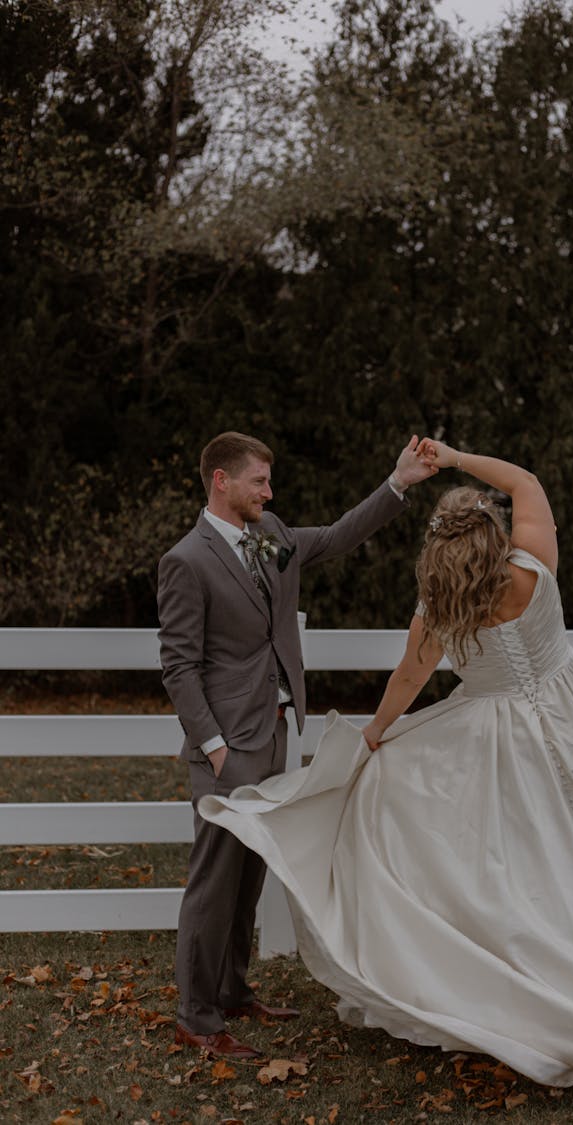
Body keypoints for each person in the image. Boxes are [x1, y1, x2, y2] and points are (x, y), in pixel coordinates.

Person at [199, 439, 573, 1101]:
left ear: (438, 556)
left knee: (527, 867)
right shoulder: (534, 566)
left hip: (498, 748)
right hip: (569, 725)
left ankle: (541, 974)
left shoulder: (440, 607)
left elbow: (408, 678)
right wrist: (456, 457)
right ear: (493, 535)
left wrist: (374, 737)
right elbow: (525, 480)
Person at [157, 430, 437, 1059]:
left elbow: (336, 536)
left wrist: (397, 484)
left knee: (249, 873)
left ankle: (231, 990)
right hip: (228, 745)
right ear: (221, 481)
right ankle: (197, 1019)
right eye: (259, 480)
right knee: (214, 879)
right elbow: (178, 667)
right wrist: (214, 745)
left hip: (275, 733)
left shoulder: (270, 535)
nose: (269, 491)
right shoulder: (188, 559)